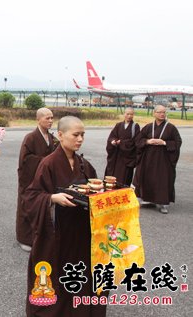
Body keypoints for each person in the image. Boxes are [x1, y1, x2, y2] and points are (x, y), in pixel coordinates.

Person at [22, 116, 107, 317]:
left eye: (82, 135)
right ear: (60, 135)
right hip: (57, 232)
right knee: (58, 272)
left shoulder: (83, 163)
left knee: (79, 272)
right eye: (75, 135)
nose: (80, 139)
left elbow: (94, 191)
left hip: (80, 231)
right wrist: (52, 197)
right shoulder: (48, 163)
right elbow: (31, 196)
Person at [16, 108, 56, 252]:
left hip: (44, 179)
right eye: (47, 118)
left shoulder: (51, 137)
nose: (51, 121)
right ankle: (24, 238)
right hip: (30, 178)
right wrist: (45, 161)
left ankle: (40, 237)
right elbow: (25, 160)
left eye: (52, 118)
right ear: (38, 119)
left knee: (42, 206)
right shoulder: (30, 137)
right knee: (27, 205)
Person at [133, 105, 182, 214]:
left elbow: (178, 142)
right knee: (147, 178)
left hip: (164, 160)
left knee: (163, 180)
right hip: (148, 159)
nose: (162, 114)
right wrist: (147, 142)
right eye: (159, 112)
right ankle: (148, 200)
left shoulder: (171, 128)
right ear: (154, 113)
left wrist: (164, 143)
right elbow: (139, 139)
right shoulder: (149, 127)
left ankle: (163, 204)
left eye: (164, 112)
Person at [104, 107, 140, 186]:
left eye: (131, 114)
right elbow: (112, 136)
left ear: (133, 115)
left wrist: (122, 143)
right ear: (124, 114)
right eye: (127, 114)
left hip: (127, 157)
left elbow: (135, 141)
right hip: (116, 156)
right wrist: (113, 141)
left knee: (124, 177)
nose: (129, 116)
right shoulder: (119, 125)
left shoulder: (135, 126)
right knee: (112, 175)